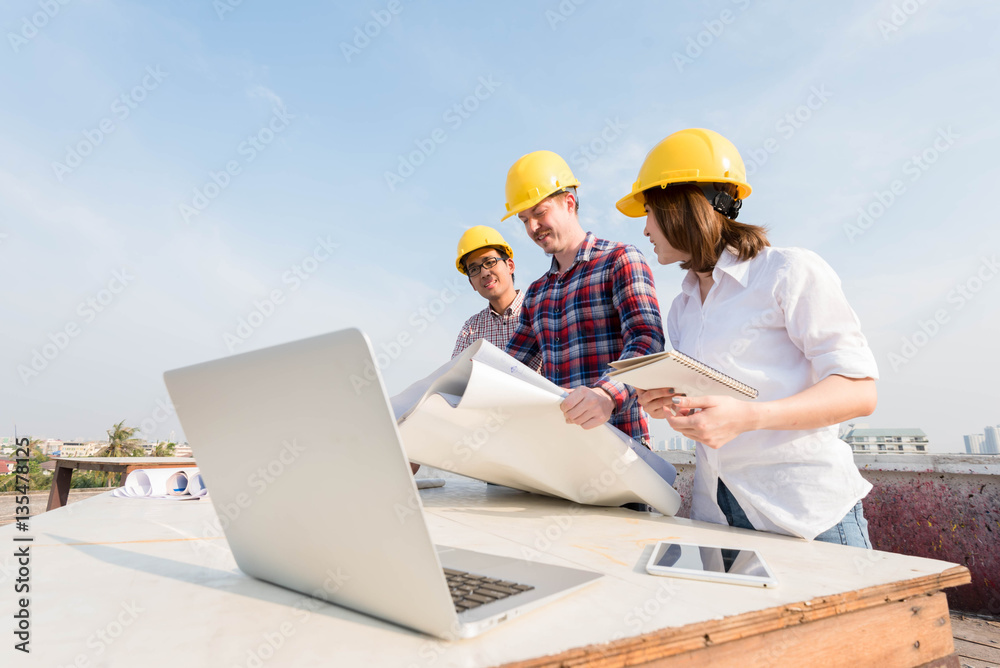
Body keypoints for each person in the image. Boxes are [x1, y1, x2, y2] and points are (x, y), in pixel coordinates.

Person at [615, 128, 878, 546]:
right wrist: (670, 404)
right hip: (718, 514)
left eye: (649, 211)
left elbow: (859, 393)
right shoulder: (682, 307)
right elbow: (711, 405)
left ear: (682, 207)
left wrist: (747, 417)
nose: (644, 229)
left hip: (807, 516)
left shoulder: (788, 272)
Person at [501, 150, 667, 449]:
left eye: (539, 213)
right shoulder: (537, 293)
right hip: (563, 450)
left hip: (622, 448)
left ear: (569, 202)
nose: (531, 228)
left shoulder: (619, 260)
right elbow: (510, 369)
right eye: (524, 219)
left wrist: (606, 395)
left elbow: (647, 340)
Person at [451, 226, 539, 372]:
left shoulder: (541, 311)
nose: (484, 273)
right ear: (472, 283)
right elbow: (455, 381)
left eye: (490, 262)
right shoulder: (470, 330)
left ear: (510, 266)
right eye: (474, 269)